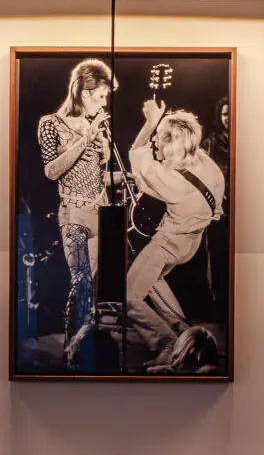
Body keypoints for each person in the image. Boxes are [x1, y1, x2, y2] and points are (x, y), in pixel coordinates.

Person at [126, 100, 227, 368]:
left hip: (168, 244)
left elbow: (137, 153)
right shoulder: (206, 163)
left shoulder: (171, 181)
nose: (156, 145)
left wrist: (149, 123)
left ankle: (166, 343)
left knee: (129, 296)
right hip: (192, 243)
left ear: (172, 142)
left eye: (159, 140)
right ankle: (183, 334)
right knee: (154, 280)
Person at [37, 58, 118, 368]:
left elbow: (99, 170)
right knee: (81, 281)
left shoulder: (95, 124)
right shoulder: (50, 123)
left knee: (102, 287)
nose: (104, 101)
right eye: (101, 95)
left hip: (103, 207)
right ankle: (72, 350)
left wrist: (104, 151)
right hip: (73, 212)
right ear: (85, 91)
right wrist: (85, 139)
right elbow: (51, 171)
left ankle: (94, 345)